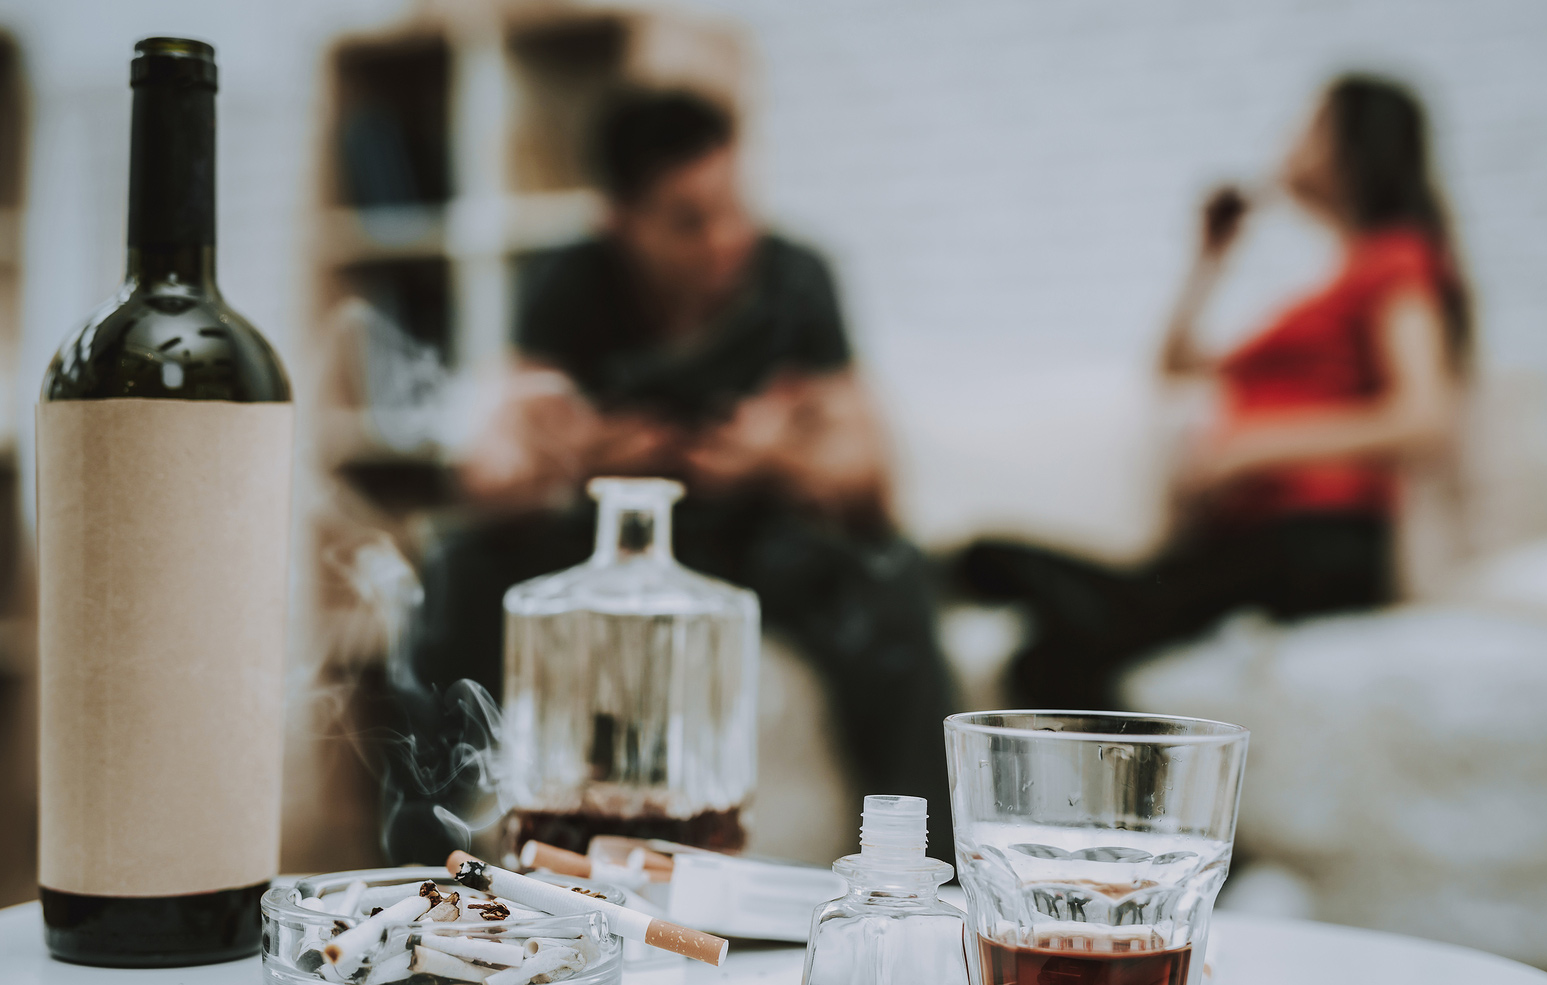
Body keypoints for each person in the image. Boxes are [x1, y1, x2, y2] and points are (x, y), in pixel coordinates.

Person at [411, 88, 957, 857]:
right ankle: (415, 866)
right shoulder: (570, 281)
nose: (725, 240)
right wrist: (581, 458)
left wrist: (778, 458)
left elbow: (873, 482)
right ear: (620, 220)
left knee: (890, 579)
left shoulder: (797, 276)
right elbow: (489, 477)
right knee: (457, 566)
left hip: (759, 530)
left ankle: (924, 878)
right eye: (688, 222)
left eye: (734, 208)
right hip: (606, 534)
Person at [961, 74, 1472, 710]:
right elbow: (1174, 365)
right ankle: (1117, 801)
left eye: (1308, 128)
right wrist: (1210, 259)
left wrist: (1250, 450)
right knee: (1049, 658)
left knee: (1000, 571)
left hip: (1318, 537)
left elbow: (1425, 418)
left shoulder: (1397, 259)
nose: (1288, 144)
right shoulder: (1321, 295)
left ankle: (954, 576)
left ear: (1352, 144)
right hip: (1246, 541)